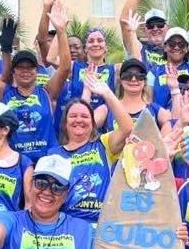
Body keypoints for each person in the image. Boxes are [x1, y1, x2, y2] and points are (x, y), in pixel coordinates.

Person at [0, 1, 71, 158]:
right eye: (20, 67)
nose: (25, 71)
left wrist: (61, 32)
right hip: (16, 162)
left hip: (47, 160)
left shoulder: (46, 92)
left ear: (36, 71)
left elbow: (64, 68)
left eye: (29, 67)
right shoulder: (3, 92)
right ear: (14, 71)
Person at [49, 69, 136, 222]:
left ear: (93, 122)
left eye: (84, 116)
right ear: (65, 122)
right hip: (67, 224)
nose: (79, 120)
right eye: (73, 116)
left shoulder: (103, 144)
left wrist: (107, 93)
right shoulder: (53, 154)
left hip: (101, 224)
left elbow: (127, 128)